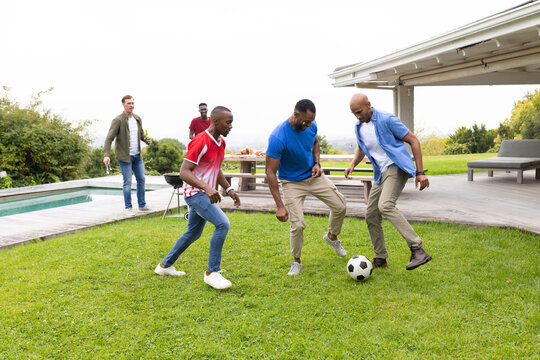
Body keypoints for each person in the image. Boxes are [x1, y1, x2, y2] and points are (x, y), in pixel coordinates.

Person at [155, 106, 241, 290]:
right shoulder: (200, 141)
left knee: (193, 233)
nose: (231, 126)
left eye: (232, 122)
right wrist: (206, 187)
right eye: (228, 122)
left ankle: (164, 266)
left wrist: (229, 189)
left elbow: (216, 168)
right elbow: (184, 172)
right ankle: (212, 273)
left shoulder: (220, 143)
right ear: (215, 121)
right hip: (195, 194)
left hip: (203, 194)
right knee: (222, 224)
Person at [346, 93, 432, 270]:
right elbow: (362, 147)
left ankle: (418, 249)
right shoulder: (359, 126)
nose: (357, 116)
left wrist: (420, 172)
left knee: (385, 205)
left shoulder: (387, 119)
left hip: (396, 166)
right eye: (354, 113)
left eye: (359, 111)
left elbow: (413, 140)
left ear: (369, 104)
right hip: (380, 172)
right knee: (371, 214)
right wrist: (353, 164)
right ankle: (380, 258)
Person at [266, 99, 348, 276]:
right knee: (298, 225)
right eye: (306, 121)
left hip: (313, 176)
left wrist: (317, 162)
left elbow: (315, 143)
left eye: (312, 121)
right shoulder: (278, 137)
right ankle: (296, 261)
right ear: (296, 115)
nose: (309, 125)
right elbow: (270, 172)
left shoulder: (311, 125)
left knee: (340, 206)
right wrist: (280, 206)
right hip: (291, 183)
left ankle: (332, 237)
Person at [104, 95, 152, 216]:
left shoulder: (137, 119)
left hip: (137, 156)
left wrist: (147, 140)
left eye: (132, 103)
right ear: (123, 104)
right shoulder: (118, 120)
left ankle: (142, 205)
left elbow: (141, 135)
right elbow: (109, 139)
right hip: (125, 157)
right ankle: (128, 208)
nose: (131, 105)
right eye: (128, 103)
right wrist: (106, 155)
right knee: (128, 182)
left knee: (141, 179)